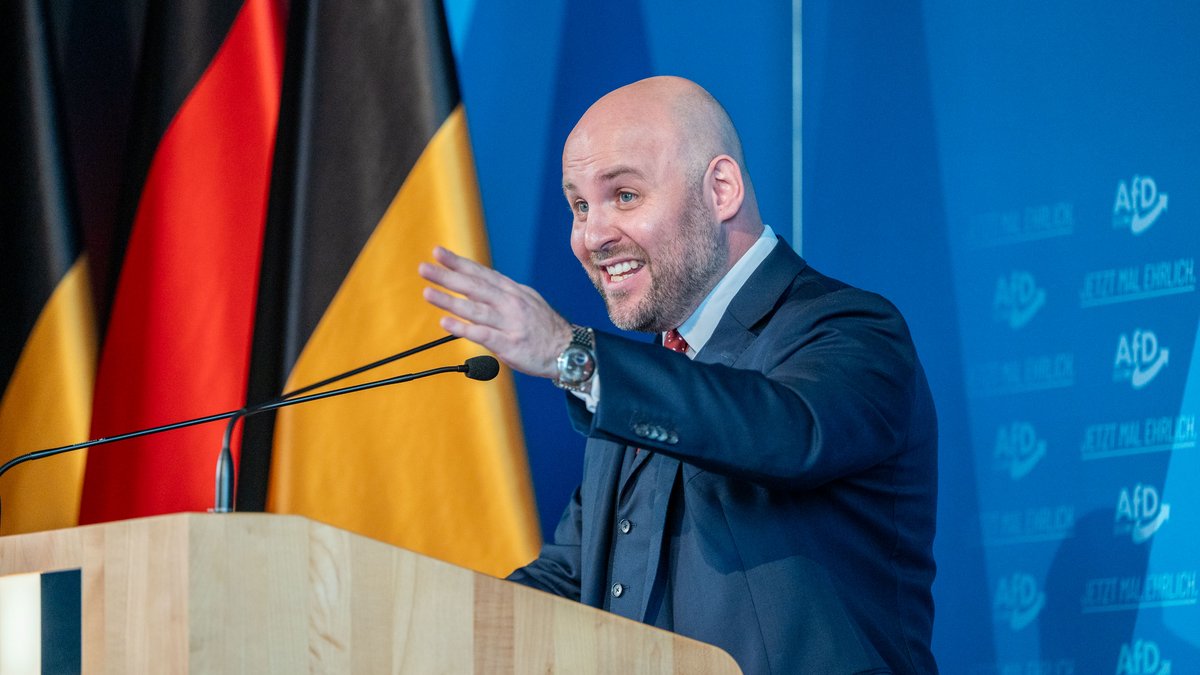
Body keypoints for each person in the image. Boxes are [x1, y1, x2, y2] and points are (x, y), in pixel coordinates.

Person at [418, 76, 937, 675]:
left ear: (720, 189)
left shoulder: (852, 328)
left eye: (625, 195)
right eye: (580, 206)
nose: (592, 236)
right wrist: (419, 627)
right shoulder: (648, 376)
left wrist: (572, 356)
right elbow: (574, 577)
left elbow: (786, 432)